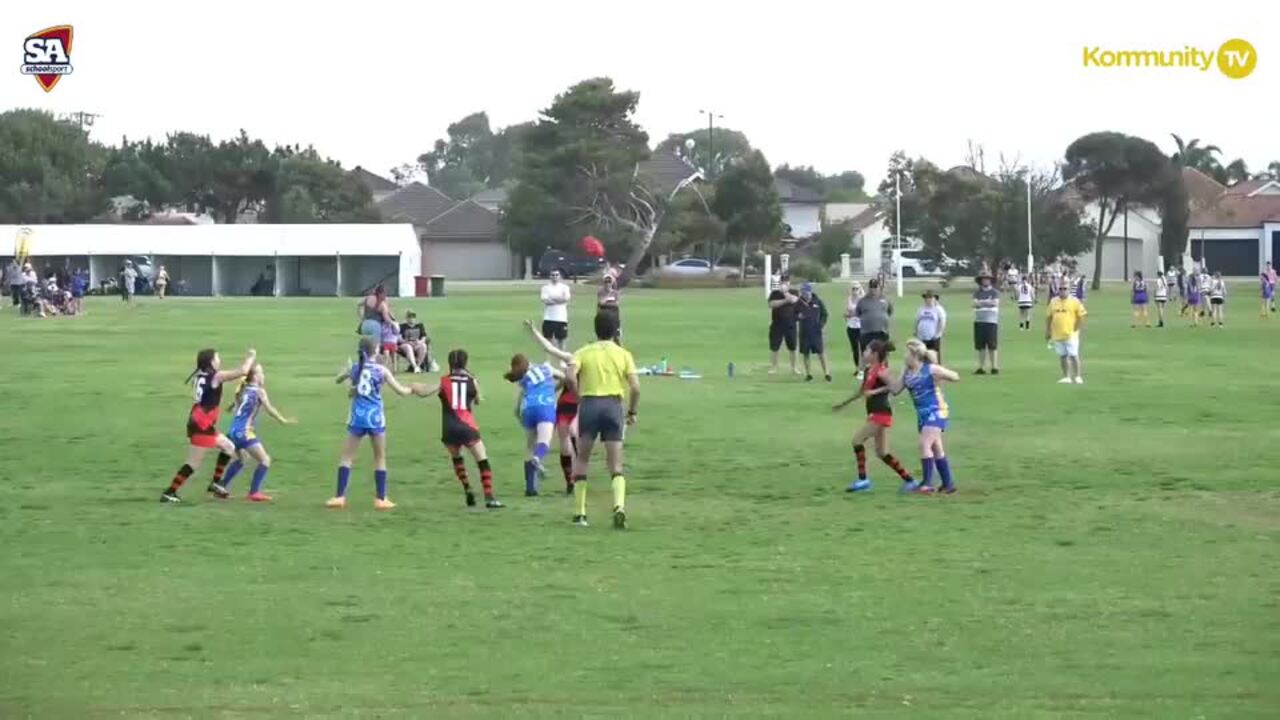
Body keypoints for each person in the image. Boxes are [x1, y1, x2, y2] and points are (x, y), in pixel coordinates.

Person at [528, 314, 639, 529]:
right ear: (616, 331)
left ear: (595, 330)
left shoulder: (583, 352)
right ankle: (618, 506)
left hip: (589, 405)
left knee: (583, 459)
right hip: (613, 405)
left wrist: (579, 397)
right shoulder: (624, 354)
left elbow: (569, 376)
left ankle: (580, 514)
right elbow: (635, 387)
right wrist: (632, 411)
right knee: (615, 463)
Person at [326, 337, 418, 510]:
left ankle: (339, 497)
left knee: (347, 457)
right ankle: (381, 499)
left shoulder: (355, 368)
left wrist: (345, 373)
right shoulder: (381, 370)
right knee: (379, 457)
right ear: (375, 351)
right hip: (375, 418)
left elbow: (339, 379)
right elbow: (401, 391)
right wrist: (412, 389)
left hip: (357, 418)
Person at [161, 348, 257, 503]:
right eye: (217, 358)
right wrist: (251, 357)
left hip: (202, 422)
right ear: (211, 361)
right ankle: (169, 493)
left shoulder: (201, 376)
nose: (219, 360)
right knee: (193, 463)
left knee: (228, 447)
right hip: (201, 425)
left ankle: (215, 484)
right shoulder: (216, 376)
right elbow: (243, 371)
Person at [831, 340, 924, 494]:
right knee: (882, 453)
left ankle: (863, 480)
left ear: (874, 354)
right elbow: (861, 392)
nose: (864, 353)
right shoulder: (869, 370)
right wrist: (843, 404)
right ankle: (910, 480)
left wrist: (875, 392)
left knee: (857, 441)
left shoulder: (882, 371)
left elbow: (895, 389)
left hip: (881, 413)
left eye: (867, 350)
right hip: (875, 413)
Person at [416, 349, 503, 509]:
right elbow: (478, 400)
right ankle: (489, 497)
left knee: (457, 459)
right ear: (465, 362)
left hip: (449, 427)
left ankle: (467, 487)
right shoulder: (472, 381)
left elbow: (424, 392)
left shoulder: (443, 381)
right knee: (482, 460)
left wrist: (415, 387)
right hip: (467, 425)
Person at [213, 364, 296, 501]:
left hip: (233, 431)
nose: (263, 375)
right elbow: (269, 409)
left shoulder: (243, 389)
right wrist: (284, 420)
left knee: (242, 459)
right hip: (244, 432)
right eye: (261, 373)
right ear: (255, 377)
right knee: (265, 460)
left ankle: (221, 487)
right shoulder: (259, 391)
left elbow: (233, 406)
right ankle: (254, 492)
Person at [891, 339, 960, 494]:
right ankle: (948, 484)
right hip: (922, 414)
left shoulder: (930, 369)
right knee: (936, 448)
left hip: (936, 410)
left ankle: (927, 484)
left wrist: (943, 376)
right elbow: (895, 390)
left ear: (914, 355)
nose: (904, 356)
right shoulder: (907, 372)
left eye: (906, 353)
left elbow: (955, 376)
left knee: (924, 445)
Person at [526, 322, 581, 495]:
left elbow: (549, 348)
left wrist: (533, 331)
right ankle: (575, 477)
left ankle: (570, 480)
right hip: (577, 403)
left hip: (566, 404)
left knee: (566, 440)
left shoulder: (574, 358)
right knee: (572, 438)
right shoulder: (587, 361)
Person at [504, 353, 568, 496]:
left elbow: (516, 409)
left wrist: (522, 419)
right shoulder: (546, 368)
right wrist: (554, 389)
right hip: (545, 406)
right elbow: (565, 378)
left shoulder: (524, 380)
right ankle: (537, 459)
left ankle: (530, 488)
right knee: (544, 441)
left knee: (530, 447)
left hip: (528, 409)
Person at [1045, 281, 1087, 384]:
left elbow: (1082, 316)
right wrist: (1048, 330)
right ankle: (1066, 376)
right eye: (1060, 289)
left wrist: (1076, 328)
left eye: (1065, 289)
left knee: (1073, 355)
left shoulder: (1075, 301)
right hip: (1057, 333)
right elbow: (1049, 317)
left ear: (1069, 290)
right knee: (1063, 355)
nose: (1062, 291)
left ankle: (1077, 376)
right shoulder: (1053, 301)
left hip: (1071, 333)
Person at [796, 282, 831, 382]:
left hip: (816, 332)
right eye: (802, 292)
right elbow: (794, 315)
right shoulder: (798, 303)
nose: (804, 294)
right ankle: (808, 374)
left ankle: (827, 373)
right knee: (805, 353)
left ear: (810, 291)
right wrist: (798, 317)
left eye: (806, 292)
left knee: (821, 353)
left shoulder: (818, 301)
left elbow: (824, 314)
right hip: (804, 332)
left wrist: (821, 324)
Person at [854, 277, 893, 364]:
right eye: (871, 287)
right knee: (867, 353)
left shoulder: (885, 299)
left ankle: (883, 371)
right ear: (869, 288)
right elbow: (858, 313)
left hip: (882, 332)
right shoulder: (862, 301)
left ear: (878, 288)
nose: (873, 290)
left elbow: (889, 311)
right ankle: (865, 373)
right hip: (867, 333)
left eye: (875, 287)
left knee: (883, 354)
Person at [767, 274, 801, 375]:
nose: (784, 284)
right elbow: (771, 304)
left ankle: (794, 368)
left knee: (793, 347)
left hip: (791, 323)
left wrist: (785, 293)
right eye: (782, 282)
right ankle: (773, 367)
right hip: (777, 323)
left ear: (789, 283)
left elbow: (794, 300)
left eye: (786, 282)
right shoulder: (774, 293)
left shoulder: (794, 292)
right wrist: (785, 300)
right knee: (774, 346)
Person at [972, 272, 1000, 375]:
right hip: (979, 321)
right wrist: (987, 302)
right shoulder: (977, 292)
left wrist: (981, 303)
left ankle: (994, 367)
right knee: (981, 346)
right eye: (984, 279)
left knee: (992, 346)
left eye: (987, 279)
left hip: (991, 321)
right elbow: (974, 304)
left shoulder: (994, 292)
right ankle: (981, 367)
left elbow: (995, 303)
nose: (985, 281)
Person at [540, 269, 571, 349]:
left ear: (560, 276)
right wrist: (559, 300)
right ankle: (549, 360)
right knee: (547, 342)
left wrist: (552, 298)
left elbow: (566, 299)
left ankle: (561, 360)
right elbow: (545, 300)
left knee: (562, 341)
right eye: (553, 275)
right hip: (548, 318)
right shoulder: (545, 288)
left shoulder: (565, 287)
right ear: (550, 276)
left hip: (561, 319)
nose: (555, 277)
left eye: (557, 275)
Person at [914, 289, 947, 363]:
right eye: (927, 298)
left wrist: (939, 333)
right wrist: (916, 331)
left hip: (933, 336)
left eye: (930, 298)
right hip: (922, 336)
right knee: (922, 355)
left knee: (933, 356)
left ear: (934, 299)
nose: (928, 300)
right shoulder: (921, 309)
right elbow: (917, 320)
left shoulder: (938, 309)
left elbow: (942, 321)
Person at [843, 281, 865, 369]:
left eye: (857, 288)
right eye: (853, 288)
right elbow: (846, 311)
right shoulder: (849, 299)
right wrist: (847, 315)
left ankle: (864, 368)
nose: (855, 290)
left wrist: (852, 314)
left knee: (863, 348)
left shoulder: (863, 299)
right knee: (855, 349)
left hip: (862, 327)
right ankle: (857, 367)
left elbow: (863, 313)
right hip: (851, 327)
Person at [596, 274, 621, 343]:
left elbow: (616, 305)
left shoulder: (615, 293)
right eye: (606, 281)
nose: (607, 283)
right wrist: (610, 302)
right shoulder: (600, 292)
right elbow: (600, 303)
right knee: (602, 337)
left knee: (616, 337)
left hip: (614, 317)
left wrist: (605, 302)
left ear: (612, 282)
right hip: (603, 317)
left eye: (609, 281)